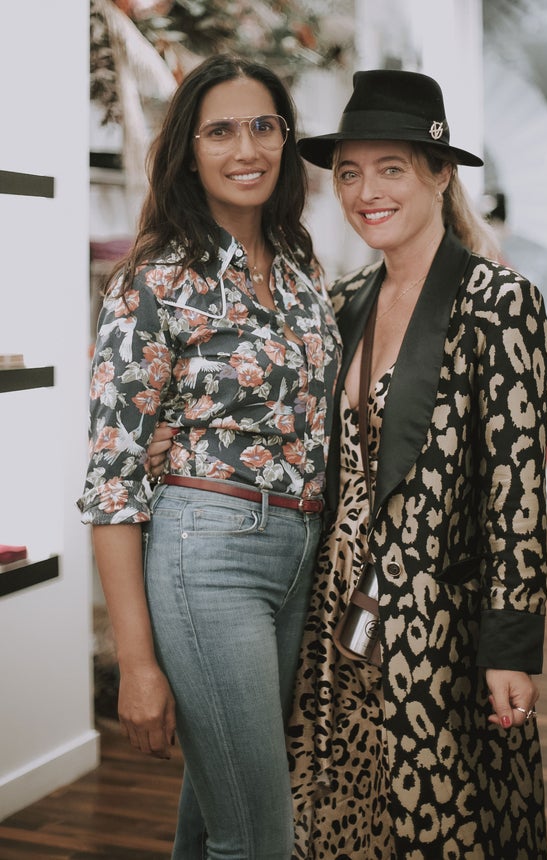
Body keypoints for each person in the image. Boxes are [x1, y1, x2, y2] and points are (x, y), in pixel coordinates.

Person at [77, 54, 341, 860]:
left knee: (217, 815)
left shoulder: (300, 271)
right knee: (259, 835)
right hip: (208, 555)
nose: (246, 149)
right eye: (219, 131)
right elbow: (112, 482)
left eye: (263, 126)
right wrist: (136, 663)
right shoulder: (153, 282)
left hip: (297, 555)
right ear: (188, 151)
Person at [287, 69, 547, 858]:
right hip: (342, 617)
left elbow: (519, 495)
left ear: (441, 174)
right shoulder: (344, 301)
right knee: (342, 816)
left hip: (442, 625)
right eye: (348, 172)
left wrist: (510, 648)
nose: (367, 190)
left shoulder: (498, 303)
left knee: (442, 822)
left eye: (391, 168)